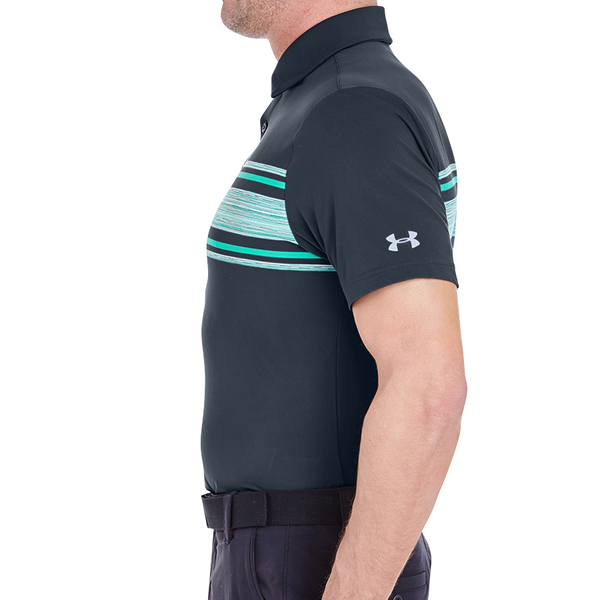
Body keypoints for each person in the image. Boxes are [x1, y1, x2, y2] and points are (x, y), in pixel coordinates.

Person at [200, 1, 467, 598]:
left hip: (309, 561)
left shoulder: (352, 110)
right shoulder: (326, 98)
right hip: (285, 554)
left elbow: (429, 385)